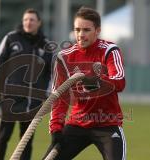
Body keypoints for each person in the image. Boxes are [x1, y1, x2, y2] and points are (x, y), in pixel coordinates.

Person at [43, 7, 126, 160]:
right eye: (77, 29)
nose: (81, 35)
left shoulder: (110, 50)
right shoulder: (63, 57)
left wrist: (97, 81)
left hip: (107, 124)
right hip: (77, 124)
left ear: (97, 30)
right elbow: (60, 97)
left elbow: (120, 82)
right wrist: (56, 128)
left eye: (86, 30)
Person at [0, 8, 52, 160]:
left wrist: (47, 96)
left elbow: (51, 73)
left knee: (26, 142)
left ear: (39, 23)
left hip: (32, 103)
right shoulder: (11, 38)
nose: (28, 22)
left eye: (32, 20)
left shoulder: (46, 45)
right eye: (25, 20)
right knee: (2, 138)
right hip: (9, 100)